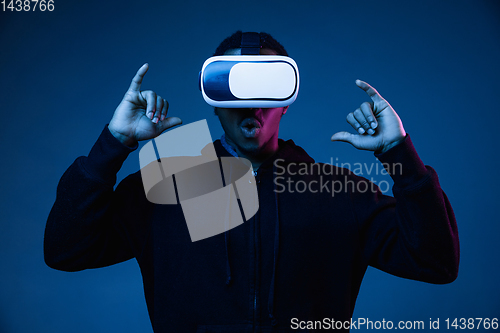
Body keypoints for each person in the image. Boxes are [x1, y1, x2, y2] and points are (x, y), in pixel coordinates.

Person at [44, 31, 459, 332]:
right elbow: (65, 249)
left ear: (286, 101)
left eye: (266, 88)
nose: (252, 105)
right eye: (233, 87)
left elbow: (436, 262)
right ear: (214, 102)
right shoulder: (168, 180)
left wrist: (399, 152)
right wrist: (113, 144)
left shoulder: (339, 192)